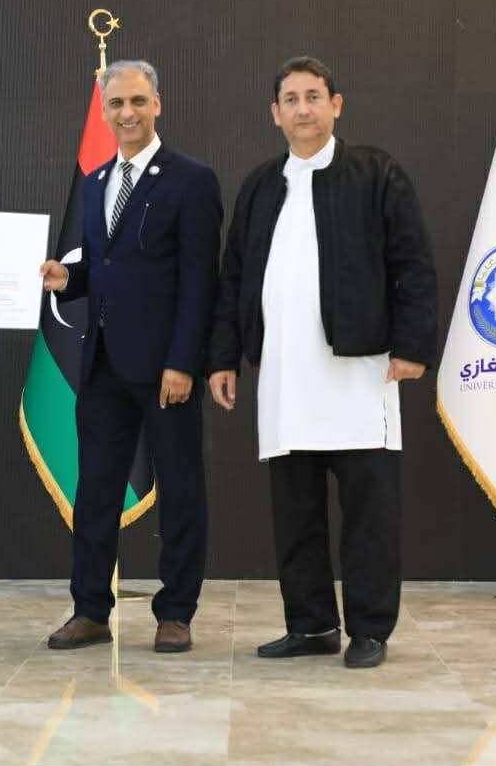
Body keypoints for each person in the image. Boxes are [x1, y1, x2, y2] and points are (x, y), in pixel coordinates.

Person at [208, 56, 437, 668]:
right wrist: (223, 356)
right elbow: (234, 278)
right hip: (284, 377)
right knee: (296, 512)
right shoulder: (261, 186)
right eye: (291, 98)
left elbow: (413, 263)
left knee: (368, 512)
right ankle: (310, 626)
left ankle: (369, 629)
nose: (303, 108)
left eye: (314, 96)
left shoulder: (376, 173)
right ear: (274, 113)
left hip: (360, 371)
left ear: (336, 105)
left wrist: (413, 347)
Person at [40, 60, 222, 654]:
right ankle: (90, 610)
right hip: (102, 367)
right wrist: (67, 278)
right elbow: (105, 267)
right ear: (103, 111)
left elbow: (200, 280)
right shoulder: (96, 182)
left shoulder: (191, 180)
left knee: (181, 490)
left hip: (166, 369)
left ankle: (176, 614)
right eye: (116, 103)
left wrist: (183, 362)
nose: (127, 113)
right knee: (95, 492)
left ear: (158, 104)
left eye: (138, 101)